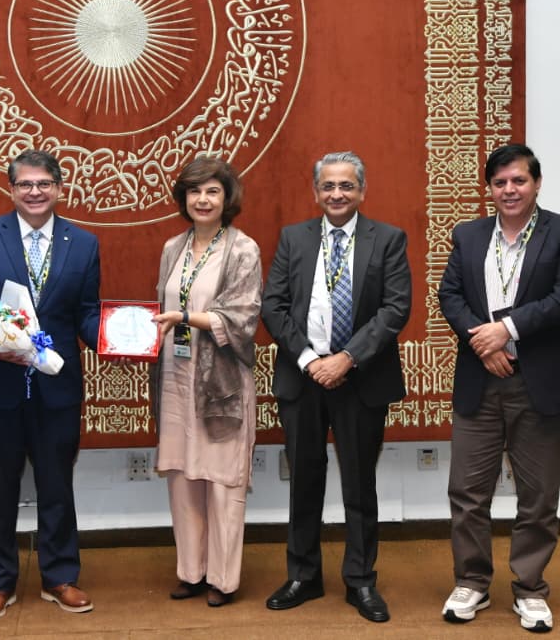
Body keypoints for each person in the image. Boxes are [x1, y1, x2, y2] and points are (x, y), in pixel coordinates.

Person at [437, 143, 560, 633]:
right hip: (480, 380)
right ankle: (472, 582)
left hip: (538, 383)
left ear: (536, 183)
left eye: (519, 180)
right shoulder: (468, 235)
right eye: (500, 182)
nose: (510, 190)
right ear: (489, 188)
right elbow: (450, 295)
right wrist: (483, 344)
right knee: (467, 491)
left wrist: (506, 329)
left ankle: (530, 588)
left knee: (538, 495)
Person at [260, 151, 412, 623]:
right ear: (316, 192)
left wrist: (347, 358)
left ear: (362, 191)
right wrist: (311, 360)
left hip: (360, 378)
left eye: (346, 185)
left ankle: (361, 580)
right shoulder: (294, 238)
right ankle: (303, 575)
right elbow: (273, 306)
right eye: (328, 186)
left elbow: (395, 308)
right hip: (304, 377)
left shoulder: (388, 239)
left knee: (359, 484)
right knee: (304, 480)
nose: (337, 194)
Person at [0, 150, 102, 621]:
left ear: (59, 188)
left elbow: (87, 313)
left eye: (44, 184)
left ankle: (60, 577)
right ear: (11, 189)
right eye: (25, 184)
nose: (35, 192)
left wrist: (119, 335)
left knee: (58, 485)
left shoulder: (84, 243)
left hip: (58, 387)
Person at [151, 157, 262, 608]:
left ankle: (222, 579)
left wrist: (184, 317)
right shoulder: (172, 247)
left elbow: (243, 318)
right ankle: (191, 572)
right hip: (176, 377)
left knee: (222, 482)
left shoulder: (243, 249)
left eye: (212, 191)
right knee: (182, 478)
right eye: (194, 191)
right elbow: (159, 308)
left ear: (226, 198)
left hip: (221, 382)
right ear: (184, 198)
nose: (203, 199)